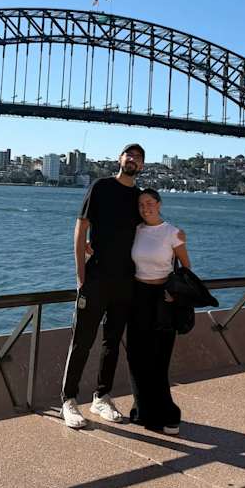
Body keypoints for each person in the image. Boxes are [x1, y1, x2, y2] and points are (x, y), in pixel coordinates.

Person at [60, 143, 145, 429]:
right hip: (96, 277)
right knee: (82, 340)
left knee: (112, 342)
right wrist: (80, 275)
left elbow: (147, 234)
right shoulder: (101, 187)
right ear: (120, 159)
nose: (133, 159)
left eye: (138, 157)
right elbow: (80, 228)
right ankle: (68, 401)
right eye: (129, 154)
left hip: (125, 280)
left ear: (142, 166)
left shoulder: (139, 198)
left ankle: (101, 397)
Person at [127, 188, 191, 435]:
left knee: (159, 359)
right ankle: (143, 411)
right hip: (138, 295)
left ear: (159, 204)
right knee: (136, 356)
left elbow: (186, 268)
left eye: (150, 203)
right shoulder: (136, 230)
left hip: (164, 298)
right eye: (141, 205)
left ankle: (170, 415)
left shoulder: (173, 232)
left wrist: (175, 294)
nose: (146, 208)